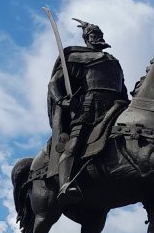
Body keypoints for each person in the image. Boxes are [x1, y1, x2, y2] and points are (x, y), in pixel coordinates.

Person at [47, 19, 128, 204]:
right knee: (75, 143)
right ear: (87, 39)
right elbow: (54, 83)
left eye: (99, 34)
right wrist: (61, 100)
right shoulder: (77, 59)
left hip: (117, 105)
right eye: (93, 35)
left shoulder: (113, 61)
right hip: (90, 107)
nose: (97, 37)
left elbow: (121, 87)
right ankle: (65, 184)